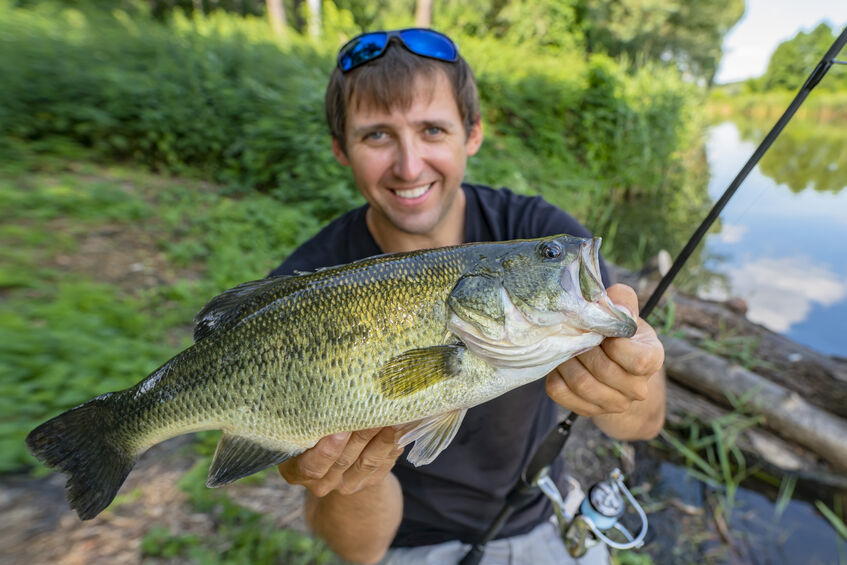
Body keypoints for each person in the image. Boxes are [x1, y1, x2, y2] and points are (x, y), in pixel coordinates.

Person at [270, 28, 666, 565]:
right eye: (377, 136)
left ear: (472, 133)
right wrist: (349, 475)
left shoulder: (533, 231)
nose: (409, 166)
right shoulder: (300, 290)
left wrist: (631, 379)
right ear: (341, 149)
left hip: (542, 515)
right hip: (408, 544)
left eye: (432, 129)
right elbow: (358, 552)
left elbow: (644, 425)